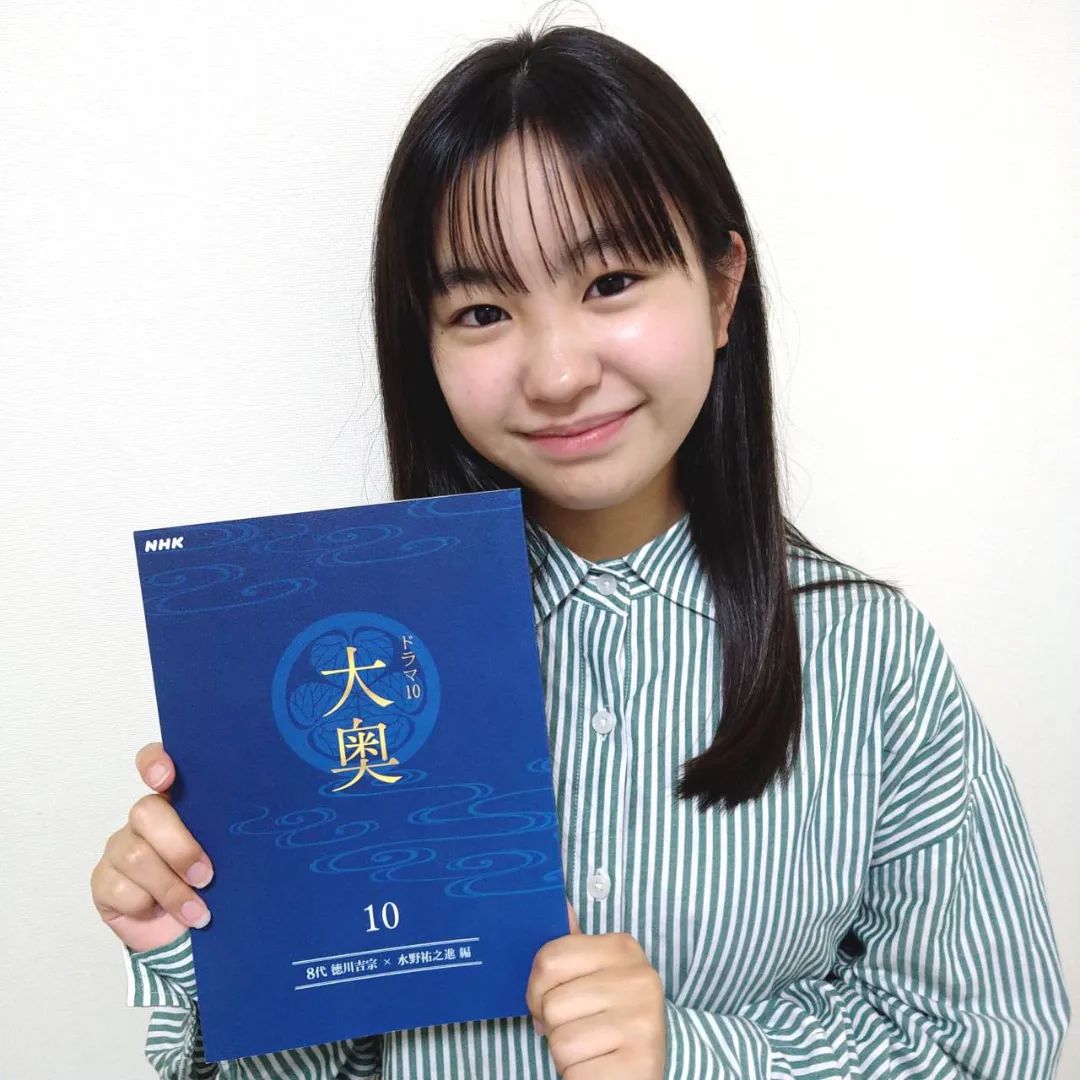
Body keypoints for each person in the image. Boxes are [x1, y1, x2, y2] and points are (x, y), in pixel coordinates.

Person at [91, 19, 1071, 1080]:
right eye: (481, 309)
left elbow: (986, 1042)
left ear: (722, 288)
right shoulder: (349, 673)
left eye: (609, 283)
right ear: (424, 347)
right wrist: (213, 945)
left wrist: (693, 1056)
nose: (557, 373)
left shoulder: (870, 655)